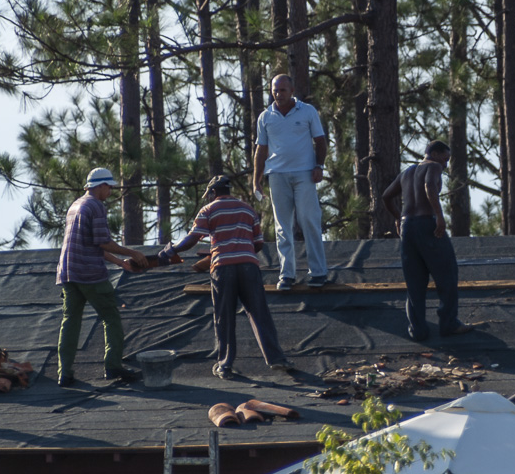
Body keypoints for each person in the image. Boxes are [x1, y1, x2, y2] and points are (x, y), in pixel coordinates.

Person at [158, 175, 291, 379]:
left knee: (224, 316)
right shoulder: (248, 209)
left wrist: (170, 250)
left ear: (212, 192)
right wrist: (240, 248)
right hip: (249, 266)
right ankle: (276, 360)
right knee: (259, 313)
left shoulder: (209, 210)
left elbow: (193, 239)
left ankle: (225, 364)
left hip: (223, 268)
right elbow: (258, 244)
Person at [56, 168, 149, 387]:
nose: (110, 191)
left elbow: (91, 243)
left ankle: (64, 373)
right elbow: (103, 242)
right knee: (111, 317)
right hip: (89, 272)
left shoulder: (75, 206)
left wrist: (120, 263)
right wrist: (133, 253)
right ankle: (113, 366)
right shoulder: (96, 206)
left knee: (70, 322)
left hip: (68, 272)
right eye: (109, 187)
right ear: (100, 186)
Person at [382, 140, 475, 341]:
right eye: (445, 159)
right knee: (447, 272)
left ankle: (418, 330)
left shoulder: (407, 172)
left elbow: (386, 196)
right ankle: (448, 323)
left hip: (408, 228)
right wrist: (439, 216)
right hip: (426, 224)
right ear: (434, 154)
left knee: (415, 281)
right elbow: (429, 186)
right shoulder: (432, 166)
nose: (445, 166)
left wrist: (398, 218)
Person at [252, 74, 328, 291]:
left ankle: (318, 272)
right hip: (277, 175)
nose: (279, 94)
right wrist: (256, 180)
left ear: (292, 91)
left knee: (309, 220)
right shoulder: (265, 116)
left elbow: (320, 141)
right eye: (275, 90)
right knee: (282, 227)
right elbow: (261, 149)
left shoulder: (307, 111)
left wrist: (319, 166)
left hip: (304, 173)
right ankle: (287, 275)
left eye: (283, 90)